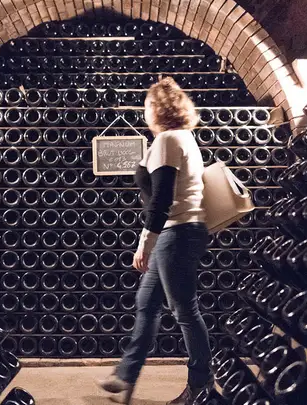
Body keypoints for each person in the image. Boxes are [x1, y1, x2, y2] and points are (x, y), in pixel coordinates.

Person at [97, 77, 211, 405]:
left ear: (157, 108)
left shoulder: (166, 140)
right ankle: (124, 378)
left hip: (175, 233)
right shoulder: (184, 138)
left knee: (185, 310)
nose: (144, 111)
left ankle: (201, 385)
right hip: (183, 232)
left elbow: (161, 200)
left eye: (147, 105)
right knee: (147, 304)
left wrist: (144, 243)